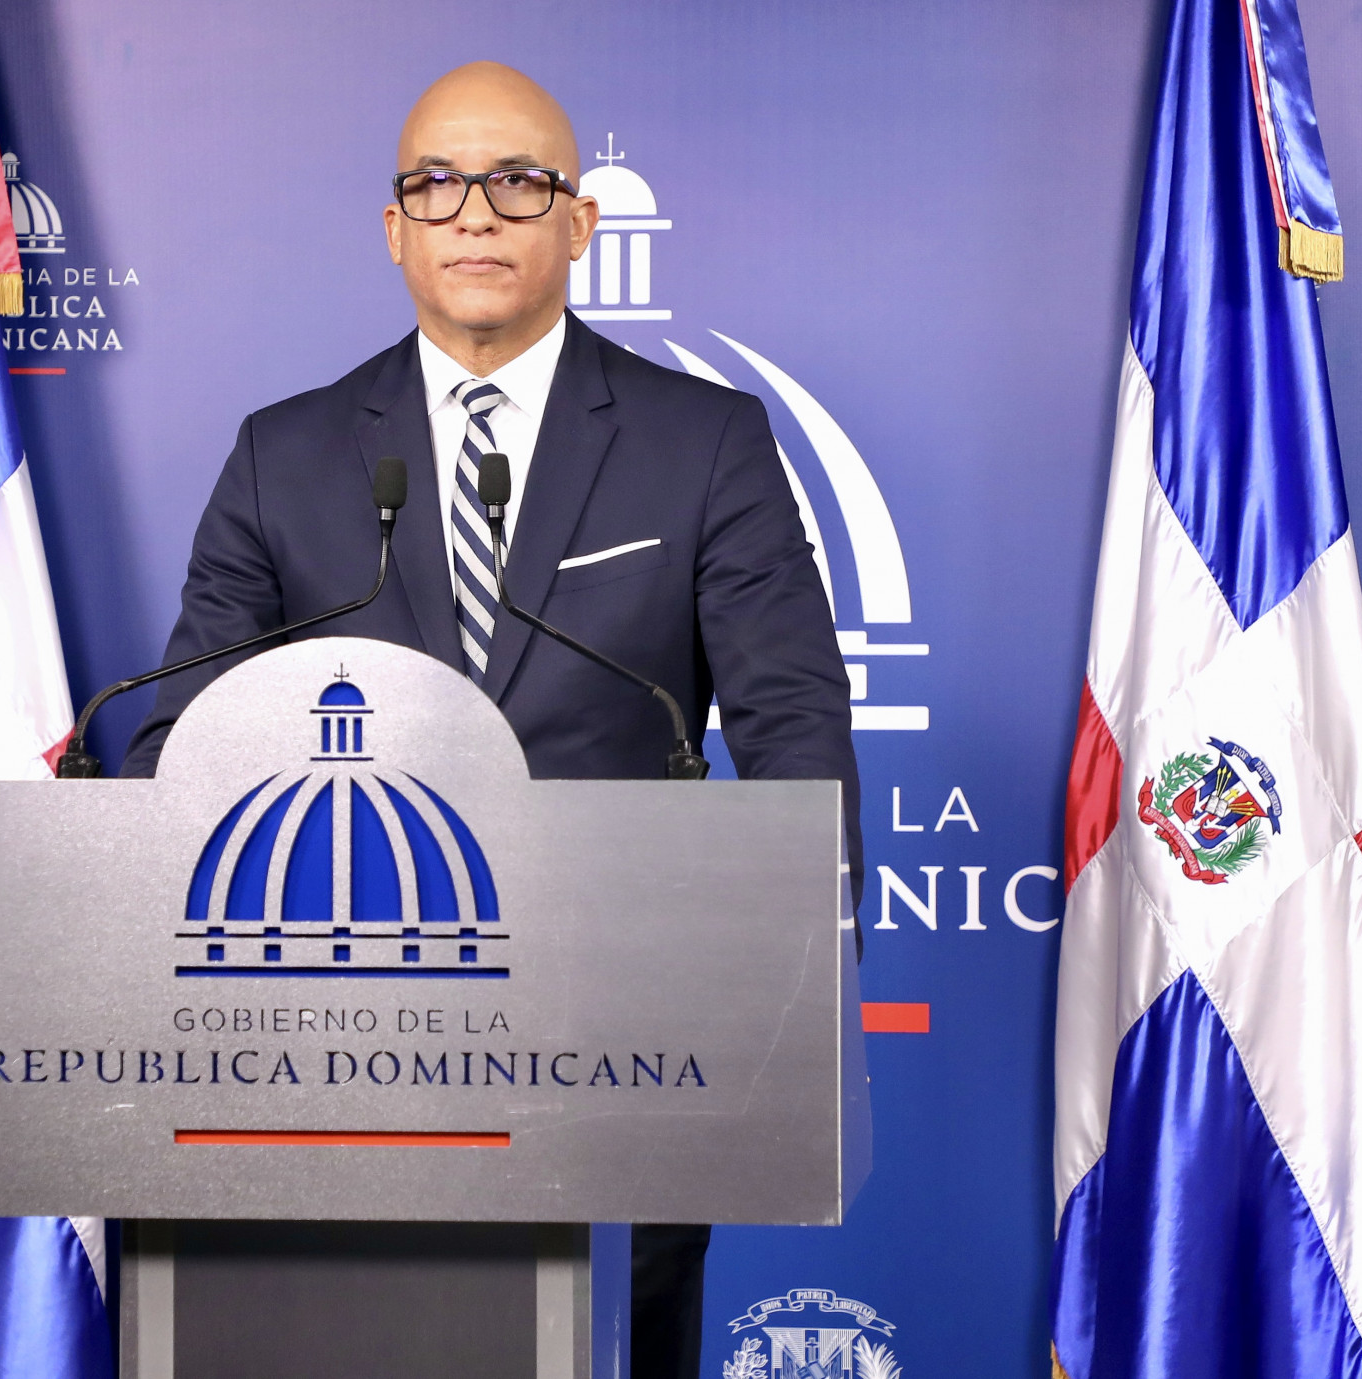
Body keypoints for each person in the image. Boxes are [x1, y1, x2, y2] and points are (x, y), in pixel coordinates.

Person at [122, 59, 861, 1379]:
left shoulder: (705, 443)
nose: (475, 212)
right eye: (437, 184)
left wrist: (792, 963)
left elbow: (793, 725)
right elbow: (179, 740)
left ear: (579, 222)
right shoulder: (283, 455)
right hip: (332, 1040)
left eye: (518, 182)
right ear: (393, 227)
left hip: (633, 1040)